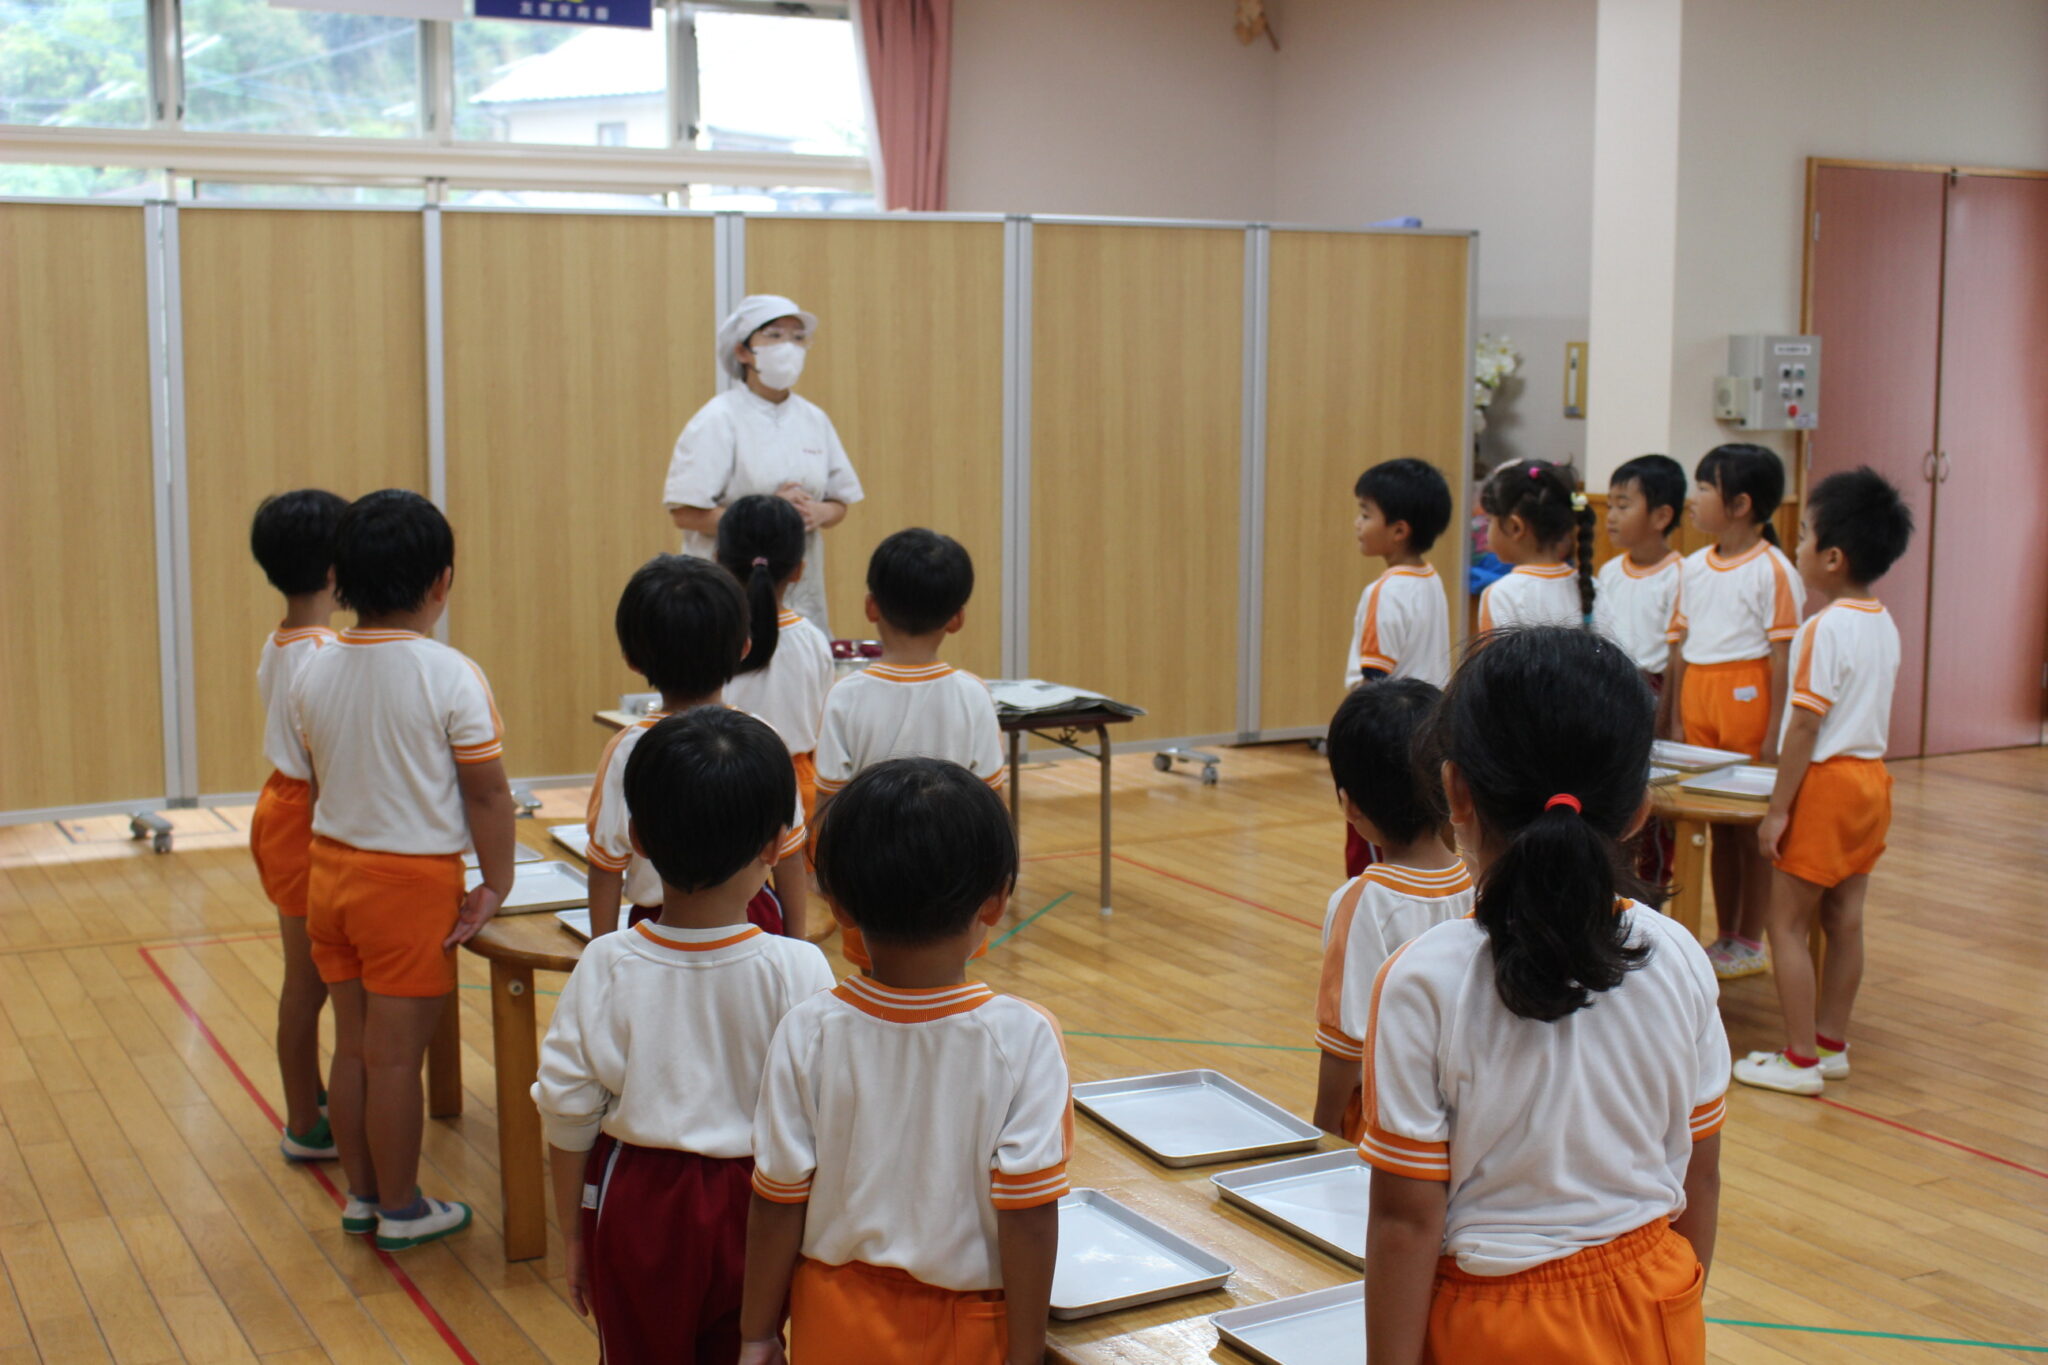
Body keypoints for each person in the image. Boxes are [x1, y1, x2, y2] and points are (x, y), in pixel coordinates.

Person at [1361, 627, 1726, 1365]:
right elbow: (1701, 1174)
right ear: (1636, 812)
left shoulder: (1422, 980)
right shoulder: (1682, 953)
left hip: (1497, 1327)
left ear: (1456, 792)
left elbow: (1405, 1222)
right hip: (1657, 1300)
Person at [739, 759, 1069, 1365]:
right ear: (996, 900)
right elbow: (1028, 1214)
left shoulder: (807, 1030)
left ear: (837, 905)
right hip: (970, 1324)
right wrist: (1026, 1355)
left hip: (832, 1317)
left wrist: (758, 1332)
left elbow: (776, 1201)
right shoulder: (1024, 1037)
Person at [534, 708, 834, 1363]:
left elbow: (566, 1109)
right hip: (765, 1201)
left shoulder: (606, 962)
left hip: (639, 1205)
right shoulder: (798, 965)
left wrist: (575, 1231)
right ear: (773, 844)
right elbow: (828, 1116)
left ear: (637, 837)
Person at [292, 490, 516, 1250]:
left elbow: (319, 783)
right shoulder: (450, 674)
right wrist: (497, 881)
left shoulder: (313, 668)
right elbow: (487, 793)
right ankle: (402, 1207)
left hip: (330, 873)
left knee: (353, 1045)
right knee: (395, 1059)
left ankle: (361, 1196)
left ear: (342, 579)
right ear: (440, 583)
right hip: (407, 886)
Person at [1736, 469, 1912, 1095]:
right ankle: (1832, 1042)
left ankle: (1800, 1058)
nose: (1797, 545)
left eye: (1805, 535)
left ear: (1832, 558)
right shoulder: (1883, 623)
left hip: (1830, 785)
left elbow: (1805, 729)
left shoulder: (1822, 628)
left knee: (1785, 924)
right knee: (1846, 920)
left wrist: (1778, 811)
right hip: (1873, 782)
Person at [584, 555, 810, 940]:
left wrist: (599, 954)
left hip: (657, 924)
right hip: (755, 921)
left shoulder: (628, 750)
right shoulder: (762, 739)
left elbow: (607, 866)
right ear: (744, 648)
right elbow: (787, 853)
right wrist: (797, 943)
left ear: (633, 660)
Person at [814, 528, 1005, 973]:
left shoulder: (846, 695)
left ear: (871, 606)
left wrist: (824, 878)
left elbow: (828, 803)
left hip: (870, 872)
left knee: (874, 979)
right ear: (957, 617)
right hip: (955, 874)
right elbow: (993, 803)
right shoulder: (972, 694)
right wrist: (998, 876)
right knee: (951, 980)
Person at [1663, 443, 1800, 980]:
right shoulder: (1693, 567)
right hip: (1699, 695)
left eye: (1703, 487)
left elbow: (1783, 654)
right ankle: (1723, 935)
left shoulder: (1774, 569)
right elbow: (1678, 645)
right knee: (1712, 828)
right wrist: (1674, 719)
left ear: (1740, 504)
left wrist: (1773, 736)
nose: (1693, 498)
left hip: (1748, 697)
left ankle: (1750, 937)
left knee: (1748, 829)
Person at [1311, 679, 1470, 1142]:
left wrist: (1320, 1133)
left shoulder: (1362, 902)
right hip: (1469, 1117)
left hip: (1387, 1126)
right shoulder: (1482, 883)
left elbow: (1344, 1042)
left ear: (1349, 805)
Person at [246, 488, 349, 1164]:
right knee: (310, 983)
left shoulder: (283, 639)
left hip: (281, 807)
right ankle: (304, 1121)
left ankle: (309, 1102)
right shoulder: (325, 653)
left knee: (301, 978)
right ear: (339, 569)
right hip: (305, 816)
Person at [664, 295, 865, 635]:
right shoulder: (718, 419)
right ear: (743, 352)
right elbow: (685, 512)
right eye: (774, 335)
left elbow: (840, 501)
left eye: (798, 337)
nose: (788, 346)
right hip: (727, 593)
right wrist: (769, 516)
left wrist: (820, 513)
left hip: (800, 594)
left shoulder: (814, 419)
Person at [1341, 458, 1455, 878]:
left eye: (1366, 514)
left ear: (1399, 530)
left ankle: (1373, 936)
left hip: (1387, 745)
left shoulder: (1384, 591)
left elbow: (1375, 685)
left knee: (1373, 865)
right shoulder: (1432, 580)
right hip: (1428, 736)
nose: (1357, 523)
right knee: (1424, 853)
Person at [1592, 454, 1688, 892]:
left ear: (1662, 515)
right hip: (1610, 690)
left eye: (1623, 504)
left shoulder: (1680, 575)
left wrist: (1667, 719)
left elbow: (1676, 656)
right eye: (1609, 504)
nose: (1611, 515)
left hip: (1652, 691)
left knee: (1651, 808)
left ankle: (1651, 894)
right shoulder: (1609, 572)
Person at [719, 495, 836, 827]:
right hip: (798, 790)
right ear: (799, 570)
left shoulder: (711, 636)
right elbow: (820, 728)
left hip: (721, 785)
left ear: (718, 560)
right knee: (797, 882)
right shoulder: (813, 640)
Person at [1474, 460, 1595, 631]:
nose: (1487, 531)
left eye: (1490, 521)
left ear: (1515, 527)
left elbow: (1493, 658)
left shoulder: (1501, 594)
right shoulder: (1592, 588)